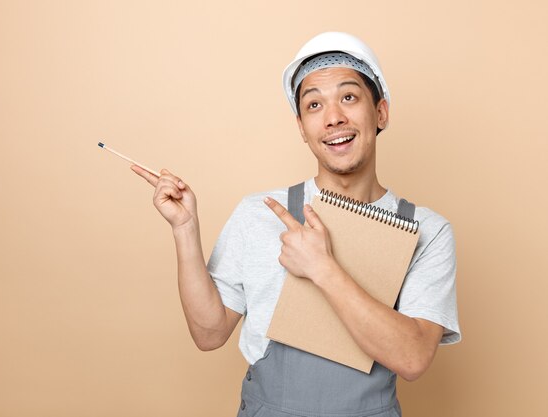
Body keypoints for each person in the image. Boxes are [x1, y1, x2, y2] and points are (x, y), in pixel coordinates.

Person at [132, 32, 460, 417]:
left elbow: (413, 357)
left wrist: (322, 268)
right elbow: (209, 334)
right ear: (302, 128)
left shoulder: (426, 231)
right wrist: (184, 229)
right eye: (314, 105)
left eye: (349, 97)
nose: (333, 117)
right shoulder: (259, 214)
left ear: (381, 112)